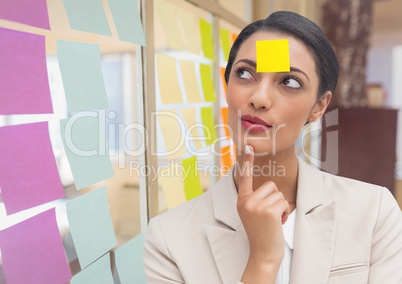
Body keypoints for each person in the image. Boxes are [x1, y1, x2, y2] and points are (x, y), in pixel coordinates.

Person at [144, 11, 402, 284]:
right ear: (227, 82)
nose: (259, 98)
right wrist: (262, 262)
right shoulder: (169, 238)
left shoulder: (373, 212)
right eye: (245, 73)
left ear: (319, 106)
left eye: (289, 81)